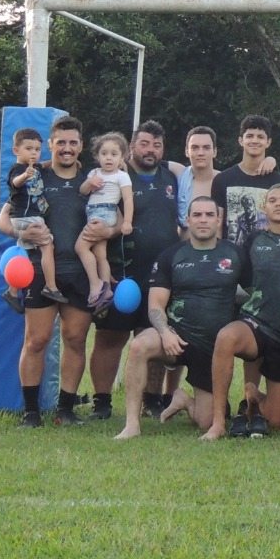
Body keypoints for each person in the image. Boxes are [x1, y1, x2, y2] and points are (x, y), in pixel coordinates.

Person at [201, 184, 280, 439]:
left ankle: (253, 394)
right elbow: (243, 278)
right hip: (256, 323)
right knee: (226, 337)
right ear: (264, 207)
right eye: (272, 200)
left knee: (278, 421)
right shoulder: (254, 240)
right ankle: (217, 423)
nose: (278, 204)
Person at [114, 196, 247, 439]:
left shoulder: (235, 254)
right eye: (197, 215)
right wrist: (165, 332)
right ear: (188, 220)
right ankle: (132, 424)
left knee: (206, 421)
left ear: (219, 220)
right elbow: (155, 305)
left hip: (212, 348)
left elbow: (255, 292)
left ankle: (183, 399)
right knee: (139, 345)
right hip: (176, 337)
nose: (203, 220)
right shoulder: (171, 255)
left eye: (209, 215)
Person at [3, 114, 105, 427]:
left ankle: (66, 410)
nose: (67, 148)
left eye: (73, 142)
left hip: (79, 272)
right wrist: (22, 232)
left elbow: (110, 219)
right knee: (36, 340)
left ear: (81, 146)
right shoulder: (35, 174)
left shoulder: (92, 180)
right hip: (39, 269)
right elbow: (2, 219)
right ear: (50, 144)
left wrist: (108, 231)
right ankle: (31, 413)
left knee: (75, 339)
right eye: (61, 142)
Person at [89, 120, 182, 421]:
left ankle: (151, 400)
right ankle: (102, 402)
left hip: (160, 278)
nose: (150, 150)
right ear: (131, 146)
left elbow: (206, 172)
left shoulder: (172, 176)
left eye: (157, 145)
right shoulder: (113, 175)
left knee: (153, 337)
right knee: (110, 338)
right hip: (121, 272)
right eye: (144, 143)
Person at [5, 127, 65, 306]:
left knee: (24, 252)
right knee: (47, 245)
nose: (34, 153)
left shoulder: (36, 167)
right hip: (26, 216)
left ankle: (12, 291)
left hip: (30, 216)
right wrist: (25, 175)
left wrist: (56, 160)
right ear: (16, 150)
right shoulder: (18, 169)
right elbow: (15, 183)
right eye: (29, 148)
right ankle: (51, 286)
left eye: (37, 149)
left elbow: (45, 164)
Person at [75, 132, 134, 310]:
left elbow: (128, 199)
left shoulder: (121, 176)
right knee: (100, 255)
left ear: (122, 157)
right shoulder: (94, 173)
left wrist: (127, 221)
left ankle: (96, 284)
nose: (109, 158)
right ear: (97, 156)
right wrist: (89, 183)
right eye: (104, 153)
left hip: (105, 213)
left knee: (80, 247)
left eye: (114, 154)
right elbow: (82, 191)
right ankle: (106, 290)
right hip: (92, 212)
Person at [211, 114, 280, 249]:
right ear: (241, 140)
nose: (255, 140)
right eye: (250, 136)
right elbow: (217, 225)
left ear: (268, 142)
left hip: (269, 255)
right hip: (232, 256)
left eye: (260, 137)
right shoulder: (223, 180)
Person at [176, 126, 221, 232]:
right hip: (182, 241)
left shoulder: (224, 181)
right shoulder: (178, 174)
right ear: (187, 151)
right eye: (195, 147)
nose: (200, 153)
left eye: (206, 147)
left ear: (214, 152)